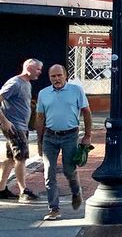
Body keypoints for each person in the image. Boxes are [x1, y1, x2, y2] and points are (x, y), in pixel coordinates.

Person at [35, 64, 92, 221]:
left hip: (70, 136)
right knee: (49, 173)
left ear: (65, 75)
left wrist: (87, 135)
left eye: (59, 75)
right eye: (53, 76)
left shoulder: (76, 90)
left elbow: (87, 112)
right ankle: (53, 209)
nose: (57, 79)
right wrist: (39, 142)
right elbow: (40, 118)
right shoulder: (43, 93)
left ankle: (76, 192)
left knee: (69, 170)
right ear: (49, 78)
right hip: (49, 137)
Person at [0, 58, 43, 203]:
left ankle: (1, 189)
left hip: (21, 126)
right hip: (14, 126)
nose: (40, 72)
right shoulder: (15, 83)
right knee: (21, 157)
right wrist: (4, 121)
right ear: (29, 67)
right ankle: (23, 191)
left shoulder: (27, 84)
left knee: (11, 158)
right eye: (38, 69)